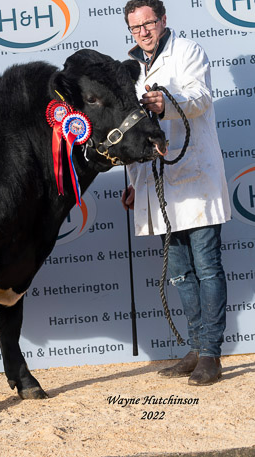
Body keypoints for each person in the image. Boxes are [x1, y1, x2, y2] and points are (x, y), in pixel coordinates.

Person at [121, 0, 231, 385]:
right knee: (181, 275)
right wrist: (134, 184)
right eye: (136, 28)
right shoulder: (130, 68)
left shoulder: (188, 51)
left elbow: (199, 98)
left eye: (149, 23)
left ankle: (211, 355)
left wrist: (166, 102)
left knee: (206, 267)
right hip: (158, 185)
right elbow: (132, 129)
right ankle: (197, 347)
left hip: (196, 178)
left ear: (163, 20)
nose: (143, 33)